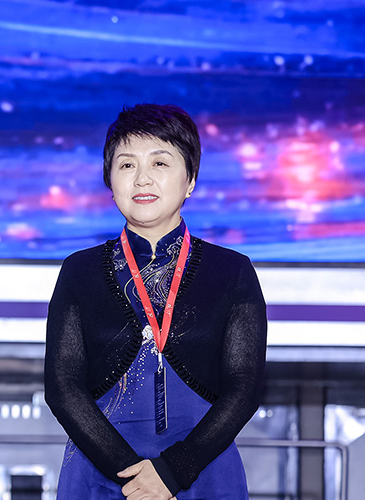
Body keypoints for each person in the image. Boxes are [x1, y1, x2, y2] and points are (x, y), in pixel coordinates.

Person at [44, 104, 267, 499]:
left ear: (191, 180)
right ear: (110, 182)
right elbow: (63, 387)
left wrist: (172, 472)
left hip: (202, 471)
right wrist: (134, 478)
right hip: (99, 474)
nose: (142, 178)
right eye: (127, 165)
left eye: (160, 163)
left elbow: (244, 388)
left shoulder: (232, 271)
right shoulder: (79, 271)